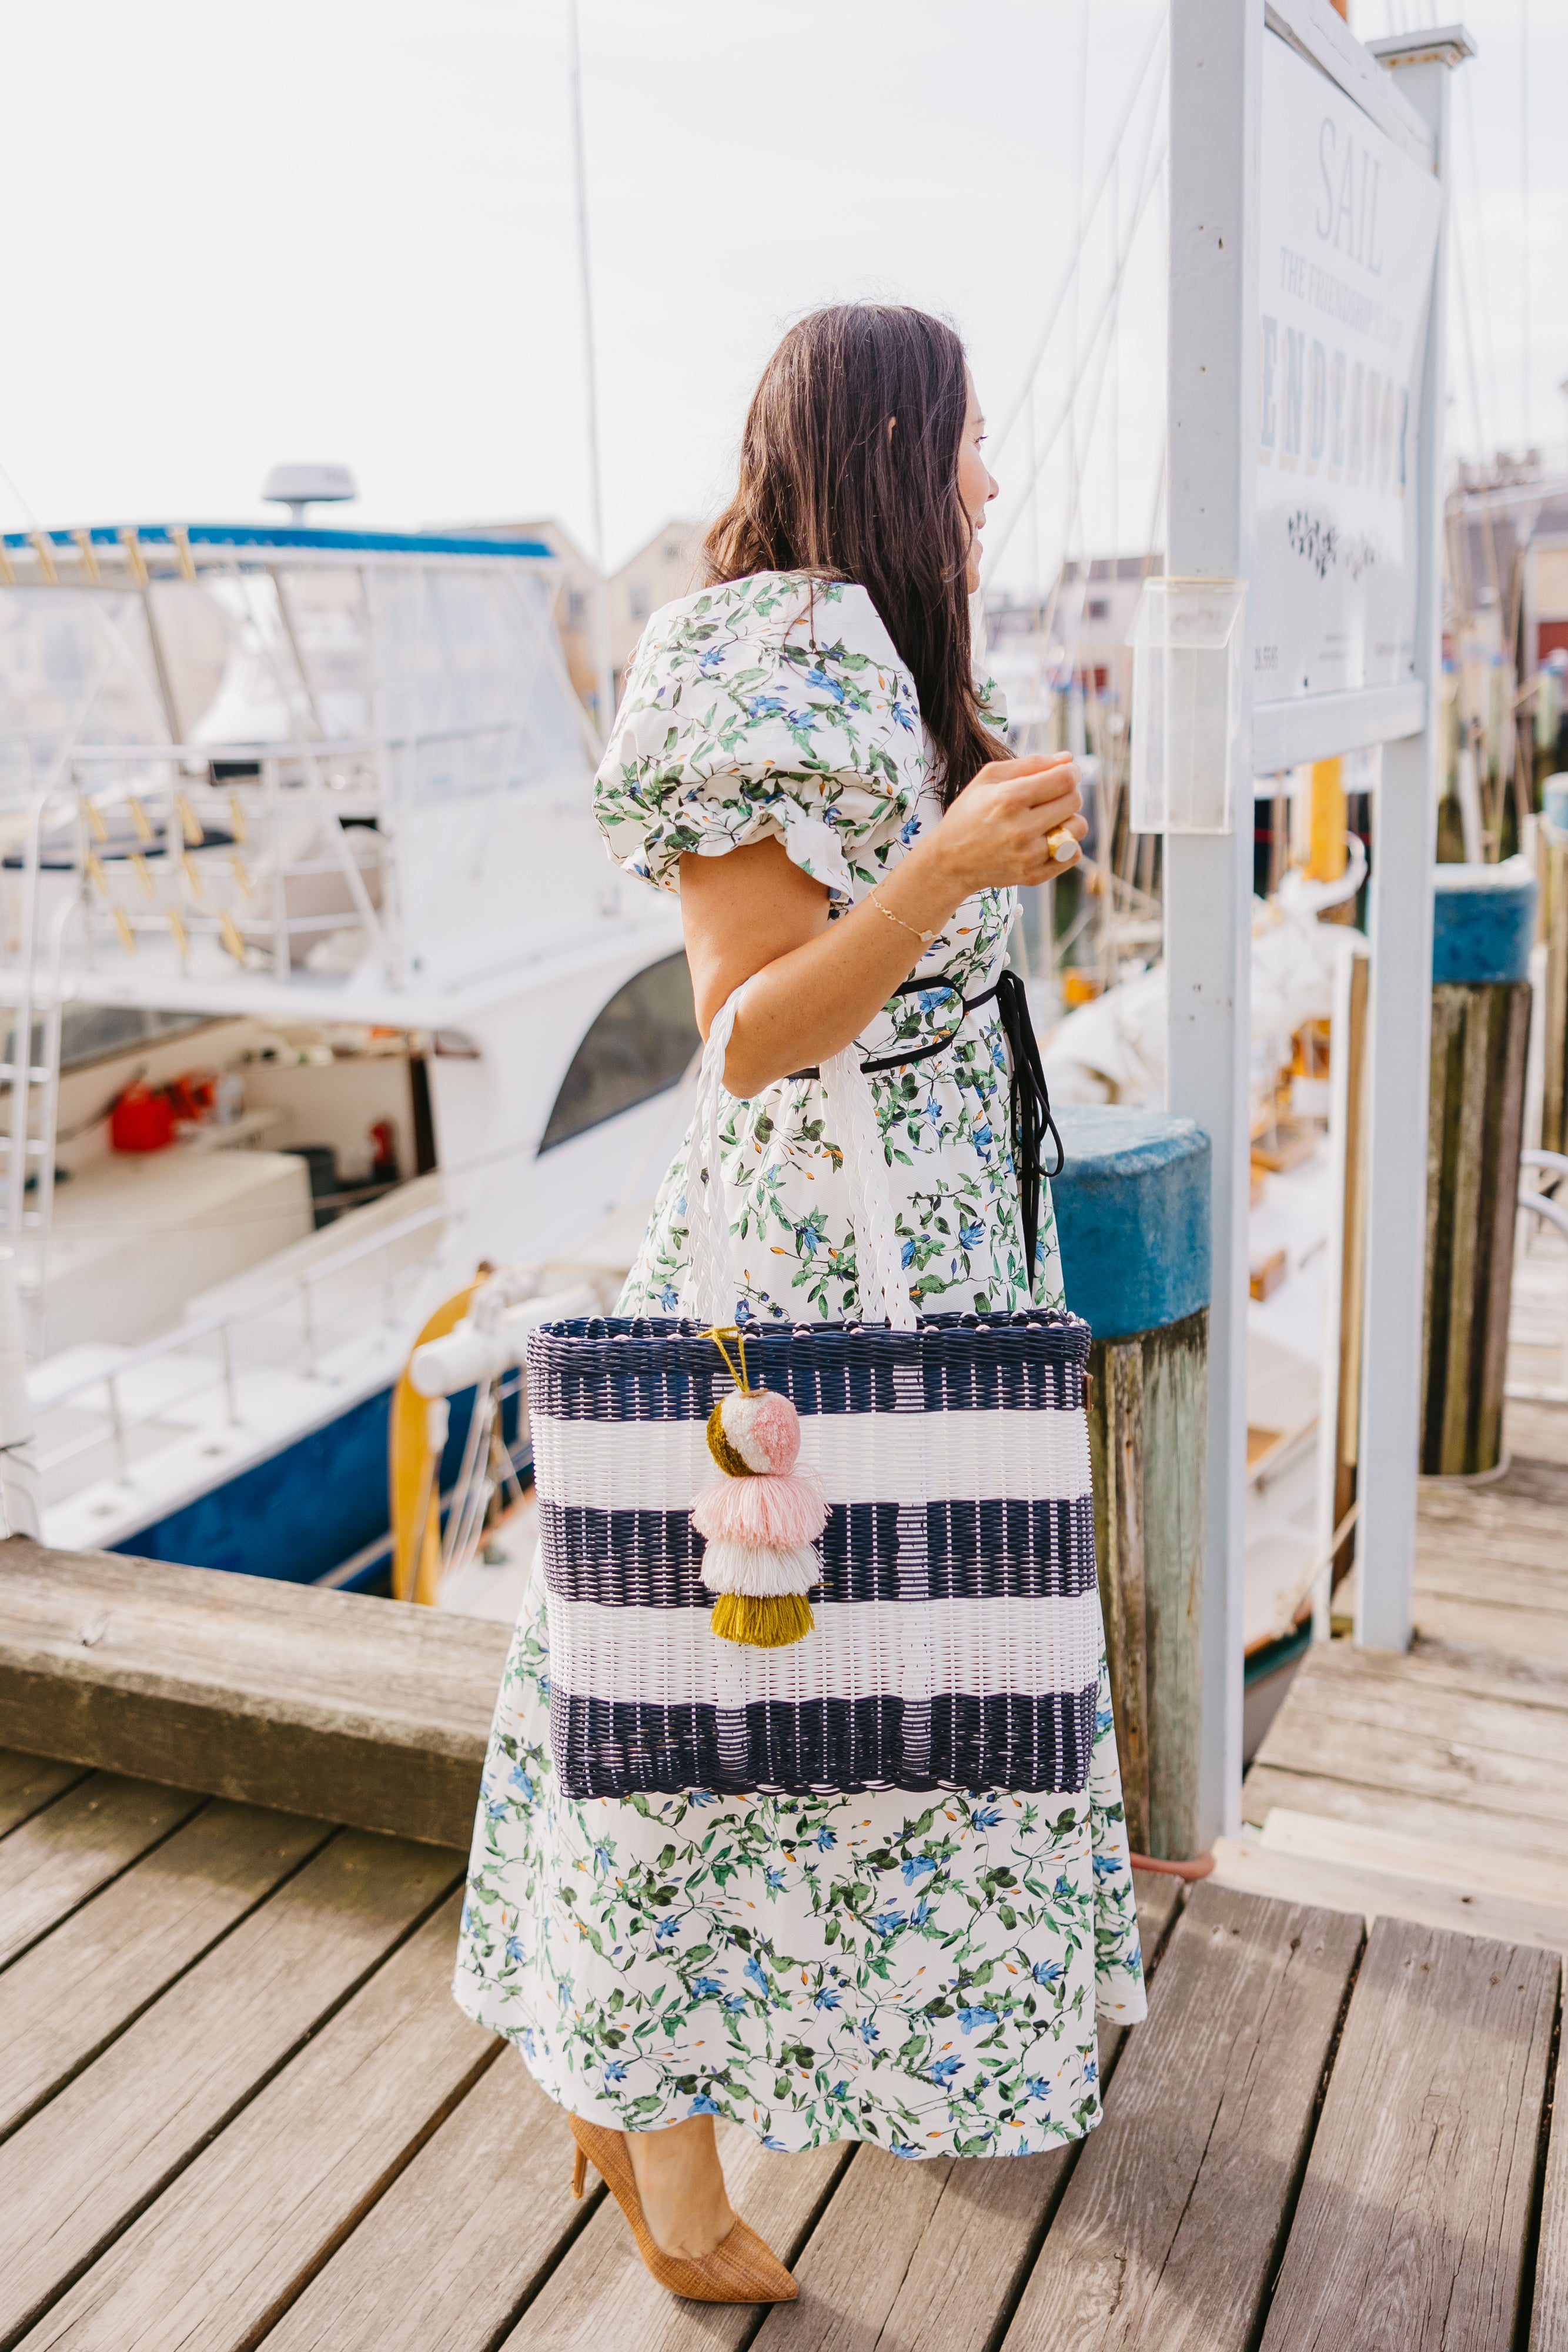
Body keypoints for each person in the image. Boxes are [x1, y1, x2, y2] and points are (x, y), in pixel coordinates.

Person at [453, 302, 1146, 2305]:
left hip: (930, 1249)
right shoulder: (748, 652)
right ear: (884, 445)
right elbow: (746, 1028)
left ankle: (650, 2090)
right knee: (715, 1706)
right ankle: (657, 2148)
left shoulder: (894, 649)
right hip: (805, 1265)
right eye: (967, 445)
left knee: (861, 1700)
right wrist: (939, 868)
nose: (992, 483)